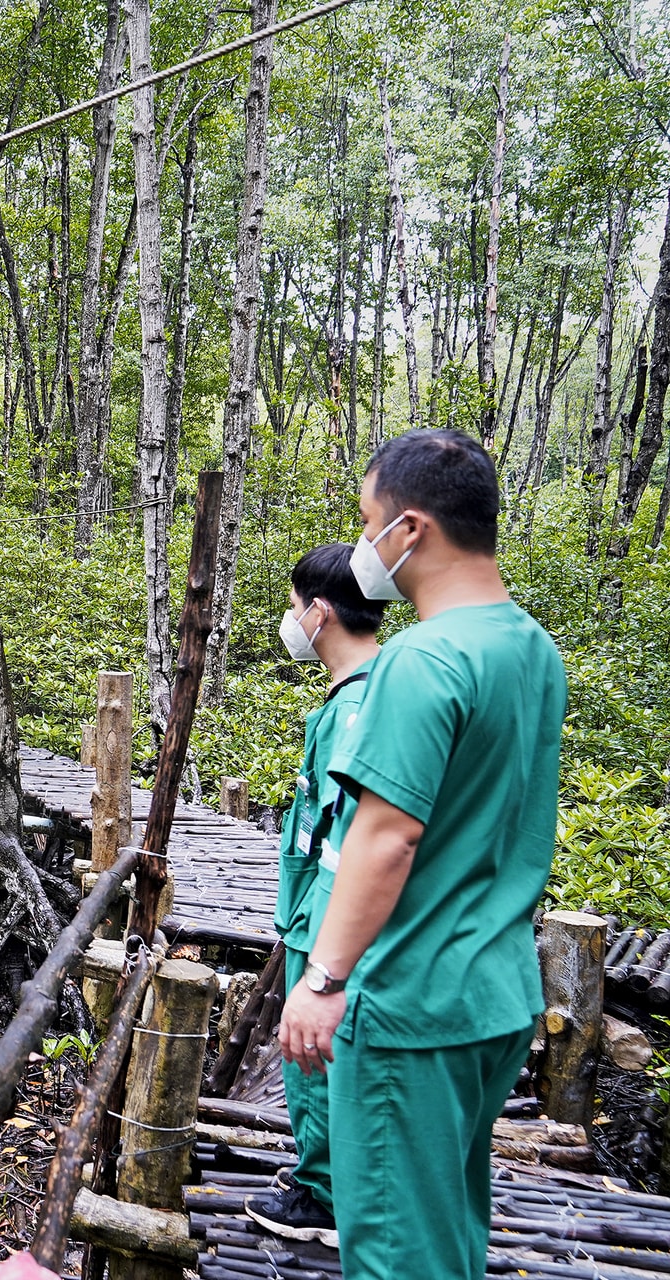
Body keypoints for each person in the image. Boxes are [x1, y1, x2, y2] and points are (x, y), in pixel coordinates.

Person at [278, 429, 566, 1280]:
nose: (363, 544)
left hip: (411, 1000)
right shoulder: (531, 648)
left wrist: (323, 979)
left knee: (398, 1249)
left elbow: (388, 833)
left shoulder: (422, 659)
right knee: (446, 1228)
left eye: (367, 523)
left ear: (410, 530)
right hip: (497, 992)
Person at [244, 543, 386, 1247]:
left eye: (295, 606)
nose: (291, 619)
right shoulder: (363, 696)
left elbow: (361, 835)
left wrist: (327, 959)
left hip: (326, 920)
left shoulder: (359, 708)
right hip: (314, 913)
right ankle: (325, 1179)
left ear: (320, 612)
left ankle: (324, 1195)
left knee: (312, 1058)